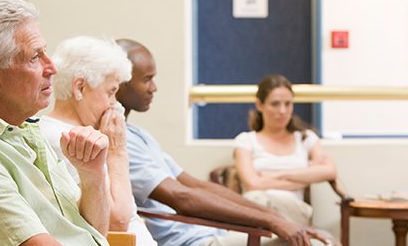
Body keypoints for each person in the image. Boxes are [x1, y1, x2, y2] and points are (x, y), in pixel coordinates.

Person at [115, 39, 329, 246]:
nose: (154, 87)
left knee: (317, 239)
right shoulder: (118, 141)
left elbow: (197, 185)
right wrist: (271, 221)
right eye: (147, 79)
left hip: (210, 231)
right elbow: (182, 198)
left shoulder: (139, 134)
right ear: (120, 83)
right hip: (190, 241)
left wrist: (275, 217)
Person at [0, 0, 111, 245]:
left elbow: (93, 232)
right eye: (35, 57)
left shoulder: (21, 125)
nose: (52, 67)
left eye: (45, 51)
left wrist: (92, 174)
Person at [40, 36, 157, 246]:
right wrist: (118, 150)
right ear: (79, 88)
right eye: (111, 92)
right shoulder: (65, 139)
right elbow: (117, 221)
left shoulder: (82, 132)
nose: (114, 104)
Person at [233, 74, 337, 230]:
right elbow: (253, 184)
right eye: (275, 104)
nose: (282, 111)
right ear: (259, 105)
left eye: (288, 104)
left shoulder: (306, 138)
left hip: (294, 211)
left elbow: (329, 170)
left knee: (255, 199)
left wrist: (276, 173)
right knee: (254, 198)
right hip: (256, 209)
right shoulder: (245, 141)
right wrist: (306, 176)